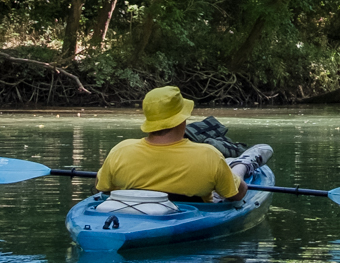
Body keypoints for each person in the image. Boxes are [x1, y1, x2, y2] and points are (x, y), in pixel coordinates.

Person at [95, 86, 269, 203]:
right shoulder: (209, 155)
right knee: (234, 178)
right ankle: (242, 165)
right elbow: (237, 194)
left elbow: (100, 186)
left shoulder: (120, 151)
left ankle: (238, 165)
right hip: (192, 216)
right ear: (181, 120)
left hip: (132, 213)